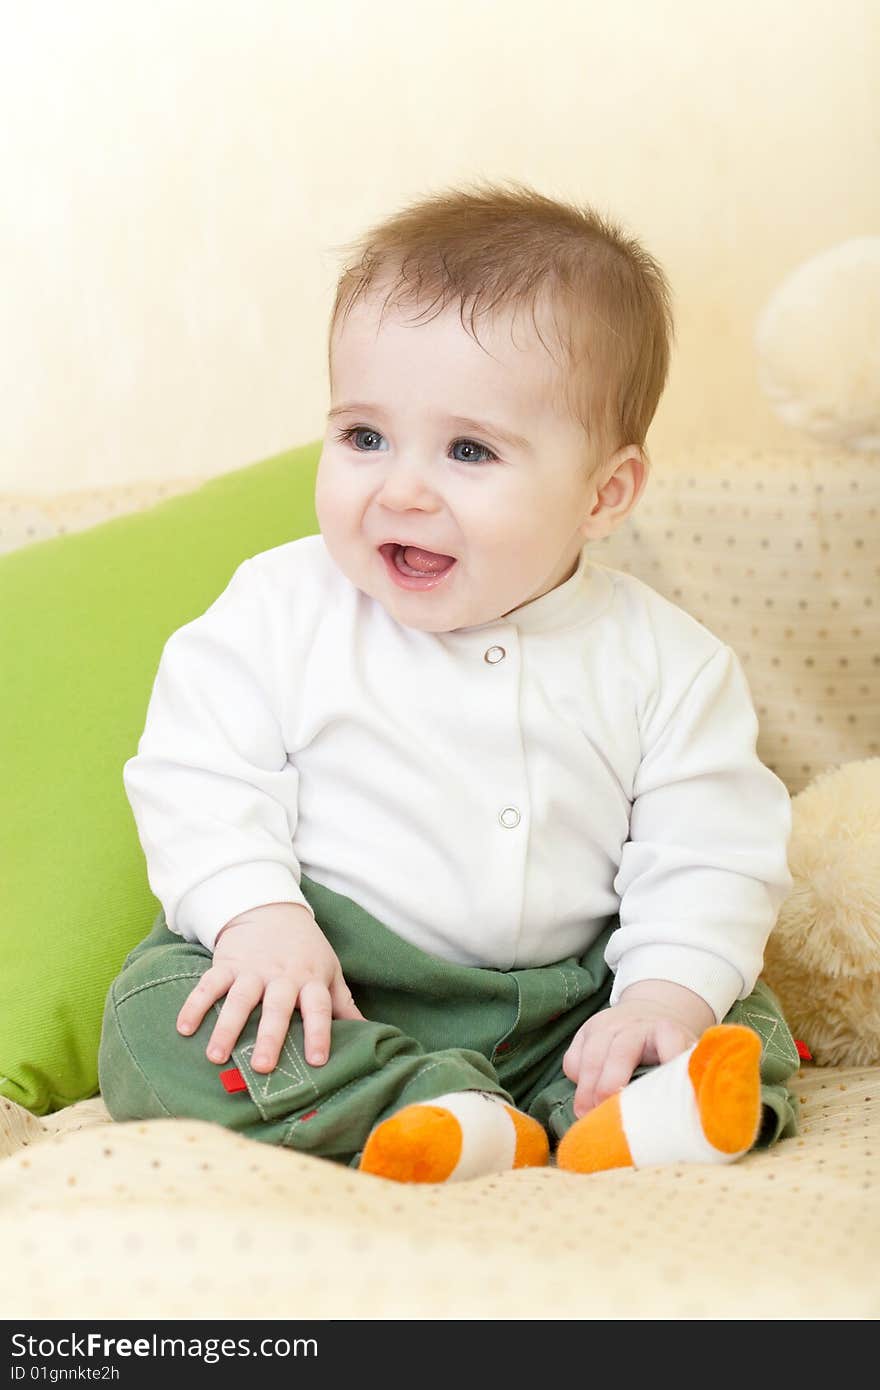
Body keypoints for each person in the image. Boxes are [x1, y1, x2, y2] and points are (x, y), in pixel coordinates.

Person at [98, 179, 801, 1182]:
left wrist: (663, 994)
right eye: (363, 437)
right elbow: (198, 775)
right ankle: (435, 1107)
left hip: (573, 993)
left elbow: (712, 854)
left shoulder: (668, 661)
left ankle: (616, 1109)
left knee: (733, 1005)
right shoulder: (279, 607)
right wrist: (260, 917)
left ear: (605, 493)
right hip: (331, 975)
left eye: (469, 449)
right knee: (156, 1023)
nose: (401, 488)